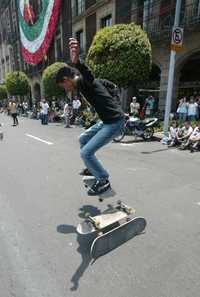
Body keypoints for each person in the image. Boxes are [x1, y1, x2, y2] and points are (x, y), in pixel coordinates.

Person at [55, 38, 125, 195]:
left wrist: (77, 62)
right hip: (107, 121)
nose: (66, 89)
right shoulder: (82, 85)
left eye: (63, 86)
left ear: (66, 79)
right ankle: (91, 167)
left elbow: (90, 77)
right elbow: (103, 84)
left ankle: (103, 181)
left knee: (85, 153)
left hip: (114, 123)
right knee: (82, 139)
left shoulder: (81, 82)